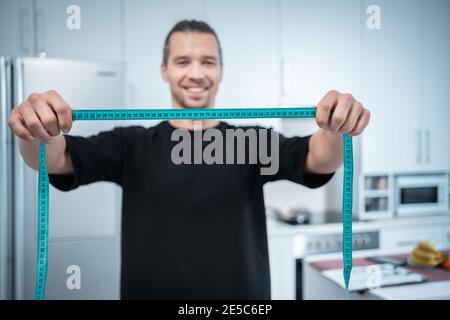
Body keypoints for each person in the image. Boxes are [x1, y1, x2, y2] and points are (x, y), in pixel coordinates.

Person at [8, 20, 370, 299]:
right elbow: (54, 159)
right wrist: (37, 130)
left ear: (221, 70)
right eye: (183, 61)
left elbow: (317, 157)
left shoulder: (251, 142)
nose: (196, 73)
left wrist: (338, 126)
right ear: (164, 69)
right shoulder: (131, 144)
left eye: (207, 62)